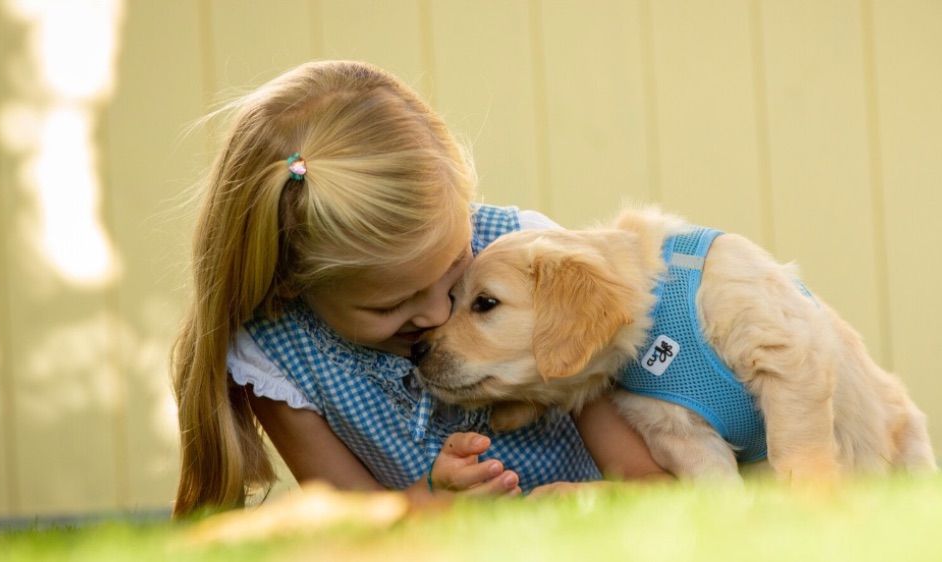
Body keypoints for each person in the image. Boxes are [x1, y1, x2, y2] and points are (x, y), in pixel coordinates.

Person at [171, 60, 666, 518]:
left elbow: (654, 482)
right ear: (290, 285)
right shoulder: (277, 356)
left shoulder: (523, 260)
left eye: (456, 269)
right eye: (392, 304)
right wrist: (431, 502)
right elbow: (356, 526)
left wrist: (582, 504)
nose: (434, 314)